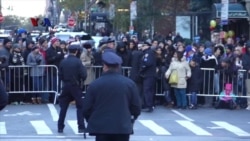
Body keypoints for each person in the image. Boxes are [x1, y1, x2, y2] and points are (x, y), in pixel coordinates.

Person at [83, 51, 141, 141]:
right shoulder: (129, 84)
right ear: (118, 67)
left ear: (105, 66)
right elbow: (136, 107)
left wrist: (92, 119)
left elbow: (86, 108)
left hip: (101, 127)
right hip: (122, 127)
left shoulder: (95, 84)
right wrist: (130, 119)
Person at [57, 44, 87, 133]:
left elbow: (60, 75)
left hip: (66, 85)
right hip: (75, 85)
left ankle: (60, 126)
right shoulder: (78, 62)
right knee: (80, 106)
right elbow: (84, 75)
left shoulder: (63, 61)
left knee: (64, 107)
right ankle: (81, 127)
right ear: (77, 51)